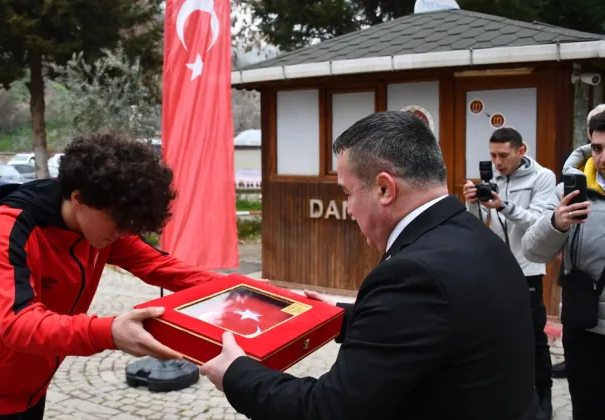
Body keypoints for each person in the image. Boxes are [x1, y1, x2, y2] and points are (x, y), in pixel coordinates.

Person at [200, 111, 537, 420]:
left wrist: (236, 374)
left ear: (384, 188)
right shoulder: (474, 235)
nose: (348, 209)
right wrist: (344, 315)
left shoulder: (413, 275)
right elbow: (435, 324)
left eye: (347, 193)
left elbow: (328, 409)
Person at [0, 132, 243, 419]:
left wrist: (241, 288)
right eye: (118, 222)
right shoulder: (7, 228)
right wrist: (109, 332)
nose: (125, 233)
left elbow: (159, 266)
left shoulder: (101, 225)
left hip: (32, 378)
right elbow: (17, 324)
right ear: (79, 199)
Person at [462, 127, 557, 419]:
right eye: (492, 155)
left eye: (503, 155)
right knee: (497, 335)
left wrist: (505, 205)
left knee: (533, 338)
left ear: (521, 150)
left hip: (528, 268)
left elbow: (541, 223)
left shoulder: (543, 177)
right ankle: (505, 395)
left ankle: (543, 396)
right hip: (495, 269)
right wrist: (471, 202)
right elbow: (476, 226)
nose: (498, 161)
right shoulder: (492, 181)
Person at [523, 111, 605, 419]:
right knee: (587, 408)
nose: (602, 157)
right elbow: (533, 250)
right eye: (597, 148)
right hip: (584, 327)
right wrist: (555, 224)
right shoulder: (569, 192)